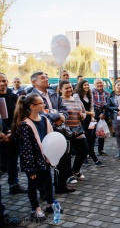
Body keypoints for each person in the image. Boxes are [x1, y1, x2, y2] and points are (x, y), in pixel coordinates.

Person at [12, 93, 60, 221]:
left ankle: (50, 204)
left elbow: (51, 138)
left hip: (45, 158)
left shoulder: (44, 119)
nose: (44, 105)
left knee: (48, 182)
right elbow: (26, 149)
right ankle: (36, 208)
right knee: (33, 185)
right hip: (33, 161)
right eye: (41, 103)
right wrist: (30, 168)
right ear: (32, 106)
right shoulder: (25, 125)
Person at [30, 72, 73, 193]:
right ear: (34, 82)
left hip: (59, 131)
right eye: (42, 78)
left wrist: (62, 117)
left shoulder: (54, 93)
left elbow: (64, 108)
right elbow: (41, 114)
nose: (46, 79)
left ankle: (61, 185)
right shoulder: (31, 96)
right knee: (44, 162)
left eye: (47, 77)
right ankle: (44, 191)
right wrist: (57, 116)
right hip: (42, 133)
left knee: (64, 158)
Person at [0, 73, 27, 195]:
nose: (2, 84)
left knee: (13, 162)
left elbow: (18, 116)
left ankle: (14, 184)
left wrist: (12, 131)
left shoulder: (12, 96)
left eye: (4, 80)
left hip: (12, 135)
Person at [59, 80, 89, 184]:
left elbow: (84, 111)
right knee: (67, 154)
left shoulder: (76, 98)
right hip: (66, 131)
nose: (69, 89)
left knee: (84, 149)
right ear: (60, 90)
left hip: (78, 128)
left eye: (70, 87)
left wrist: (83, 115)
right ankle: (69, 175)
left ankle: (75, 170)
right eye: (66, 88)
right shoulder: (60, 101)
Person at [74, 80, 104, 166]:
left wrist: (92, 117)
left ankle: (89, 155)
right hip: (81, 119)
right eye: (84, 85)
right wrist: (91, 113)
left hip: (89, 120)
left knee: (91, 138)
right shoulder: (76, 96)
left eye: (87, 85)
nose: (87, 86)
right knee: (85, 138)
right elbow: (80, 109)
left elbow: (91, 107)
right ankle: (90, 157)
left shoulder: (89, 95)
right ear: (80, 86)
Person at [92, 78, 110, 156]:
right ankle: (90, 151)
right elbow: (92, 103)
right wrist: (103, 105)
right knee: (92, 133)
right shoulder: (91, 92)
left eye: (101, 83)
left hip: (103, 114)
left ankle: (101, 149)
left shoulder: (107, 93)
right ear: (95, 84)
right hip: (94, 113)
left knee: (101, 132)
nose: (99, 84)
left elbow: (108, 105)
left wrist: (103, 113)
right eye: (98, 83)